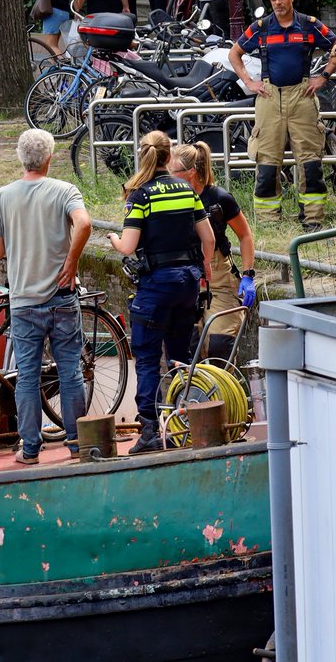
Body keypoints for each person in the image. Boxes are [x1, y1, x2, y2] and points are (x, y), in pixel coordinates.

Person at [0, 129, 92, 464]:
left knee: (28, 377)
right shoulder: (64, 191)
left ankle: (30, 449)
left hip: (25, 301)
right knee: (70, 370)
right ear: (49, 158)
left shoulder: (1, 197)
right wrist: (71, 261)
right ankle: (76, 443)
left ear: (21, 158)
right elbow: (84, 224)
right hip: (61, 296)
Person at [107, 131, 214, 455]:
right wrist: (204, 271)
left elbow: (128, 246)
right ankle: (183, 424)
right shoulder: (186, 189)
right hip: (187, 285)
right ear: (169, 157)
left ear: (146, 157)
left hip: (156, 287)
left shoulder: (140, 195)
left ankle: (151, 431)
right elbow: (207, 238)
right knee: (180, 357)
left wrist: (113, 237)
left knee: (148, 358)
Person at [229, 0, 336, 230]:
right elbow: (234, 54)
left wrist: (324, 76)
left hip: (302, 97)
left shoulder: (310, 25)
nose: (278, 2)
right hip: (269, 97)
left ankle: (313, 221)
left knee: (310, 163)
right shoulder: (261, 27)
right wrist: (249, 81)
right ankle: (268, 223)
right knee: (266, 163)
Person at [167, 142, 256, 362]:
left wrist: (248, 275)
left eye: (172, 171)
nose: (167, 176)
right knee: (188, 348)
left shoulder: (219, 198)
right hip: (185, 278)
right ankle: (190, 395)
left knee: (219, 346)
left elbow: (245, 235)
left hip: (217, 279)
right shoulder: (169, 197)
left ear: (191, 173)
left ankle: (224, 393)